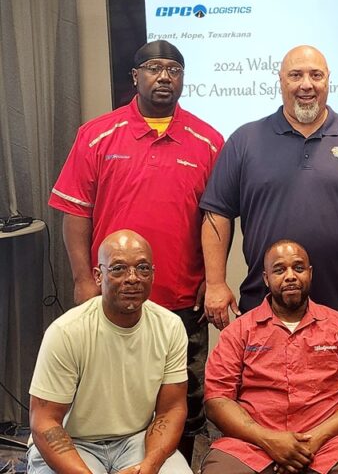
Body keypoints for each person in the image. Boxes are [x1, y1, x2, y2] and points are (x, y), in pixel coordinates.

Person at [48, 40, 224, 460]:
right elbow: (75, 214)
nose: (164, 77)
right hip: (110, 300)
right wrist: (81, 282)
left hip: (181, 298)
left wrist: (214, 279)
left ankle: (172, 463)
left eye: (174, 70)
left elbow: (217, 218)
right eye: (153, 68)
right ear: (135, 76)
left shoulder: (209, 141)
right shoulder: (96, 135)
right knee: (107, 396)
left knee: (183, 398)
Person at [199, 45, 338, 345]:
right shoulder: (243, 141)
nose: (306, 85)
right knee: (267, 392)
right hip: (264, 311)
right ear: (280, 81)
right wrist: (216, 283)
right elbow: (216, 215)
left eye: (316, 75)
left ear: (328, 80)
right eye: (295, 75)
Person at [201, 240, 338, 474]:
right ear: (266, 278)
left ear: (310, 273)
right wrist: (268, 440)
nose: (290, 276)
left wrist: (315, 438)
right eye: (279, 269)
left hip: (331, 445)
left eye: (298, 268)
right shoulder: (238, 332)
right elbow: (217, 401)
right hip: (251, 446)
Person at [28, 230, 191, 474]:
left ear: (153, 275)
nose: (133, 278)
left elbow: (172, 409)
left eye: (143, 268)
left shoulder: (170, 327)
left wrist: (149, 466)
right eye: (118, 269)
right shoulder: (66, 331)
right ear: (98, 275)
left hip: (137, 440)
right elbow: (45, 421)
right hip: (73, 442)